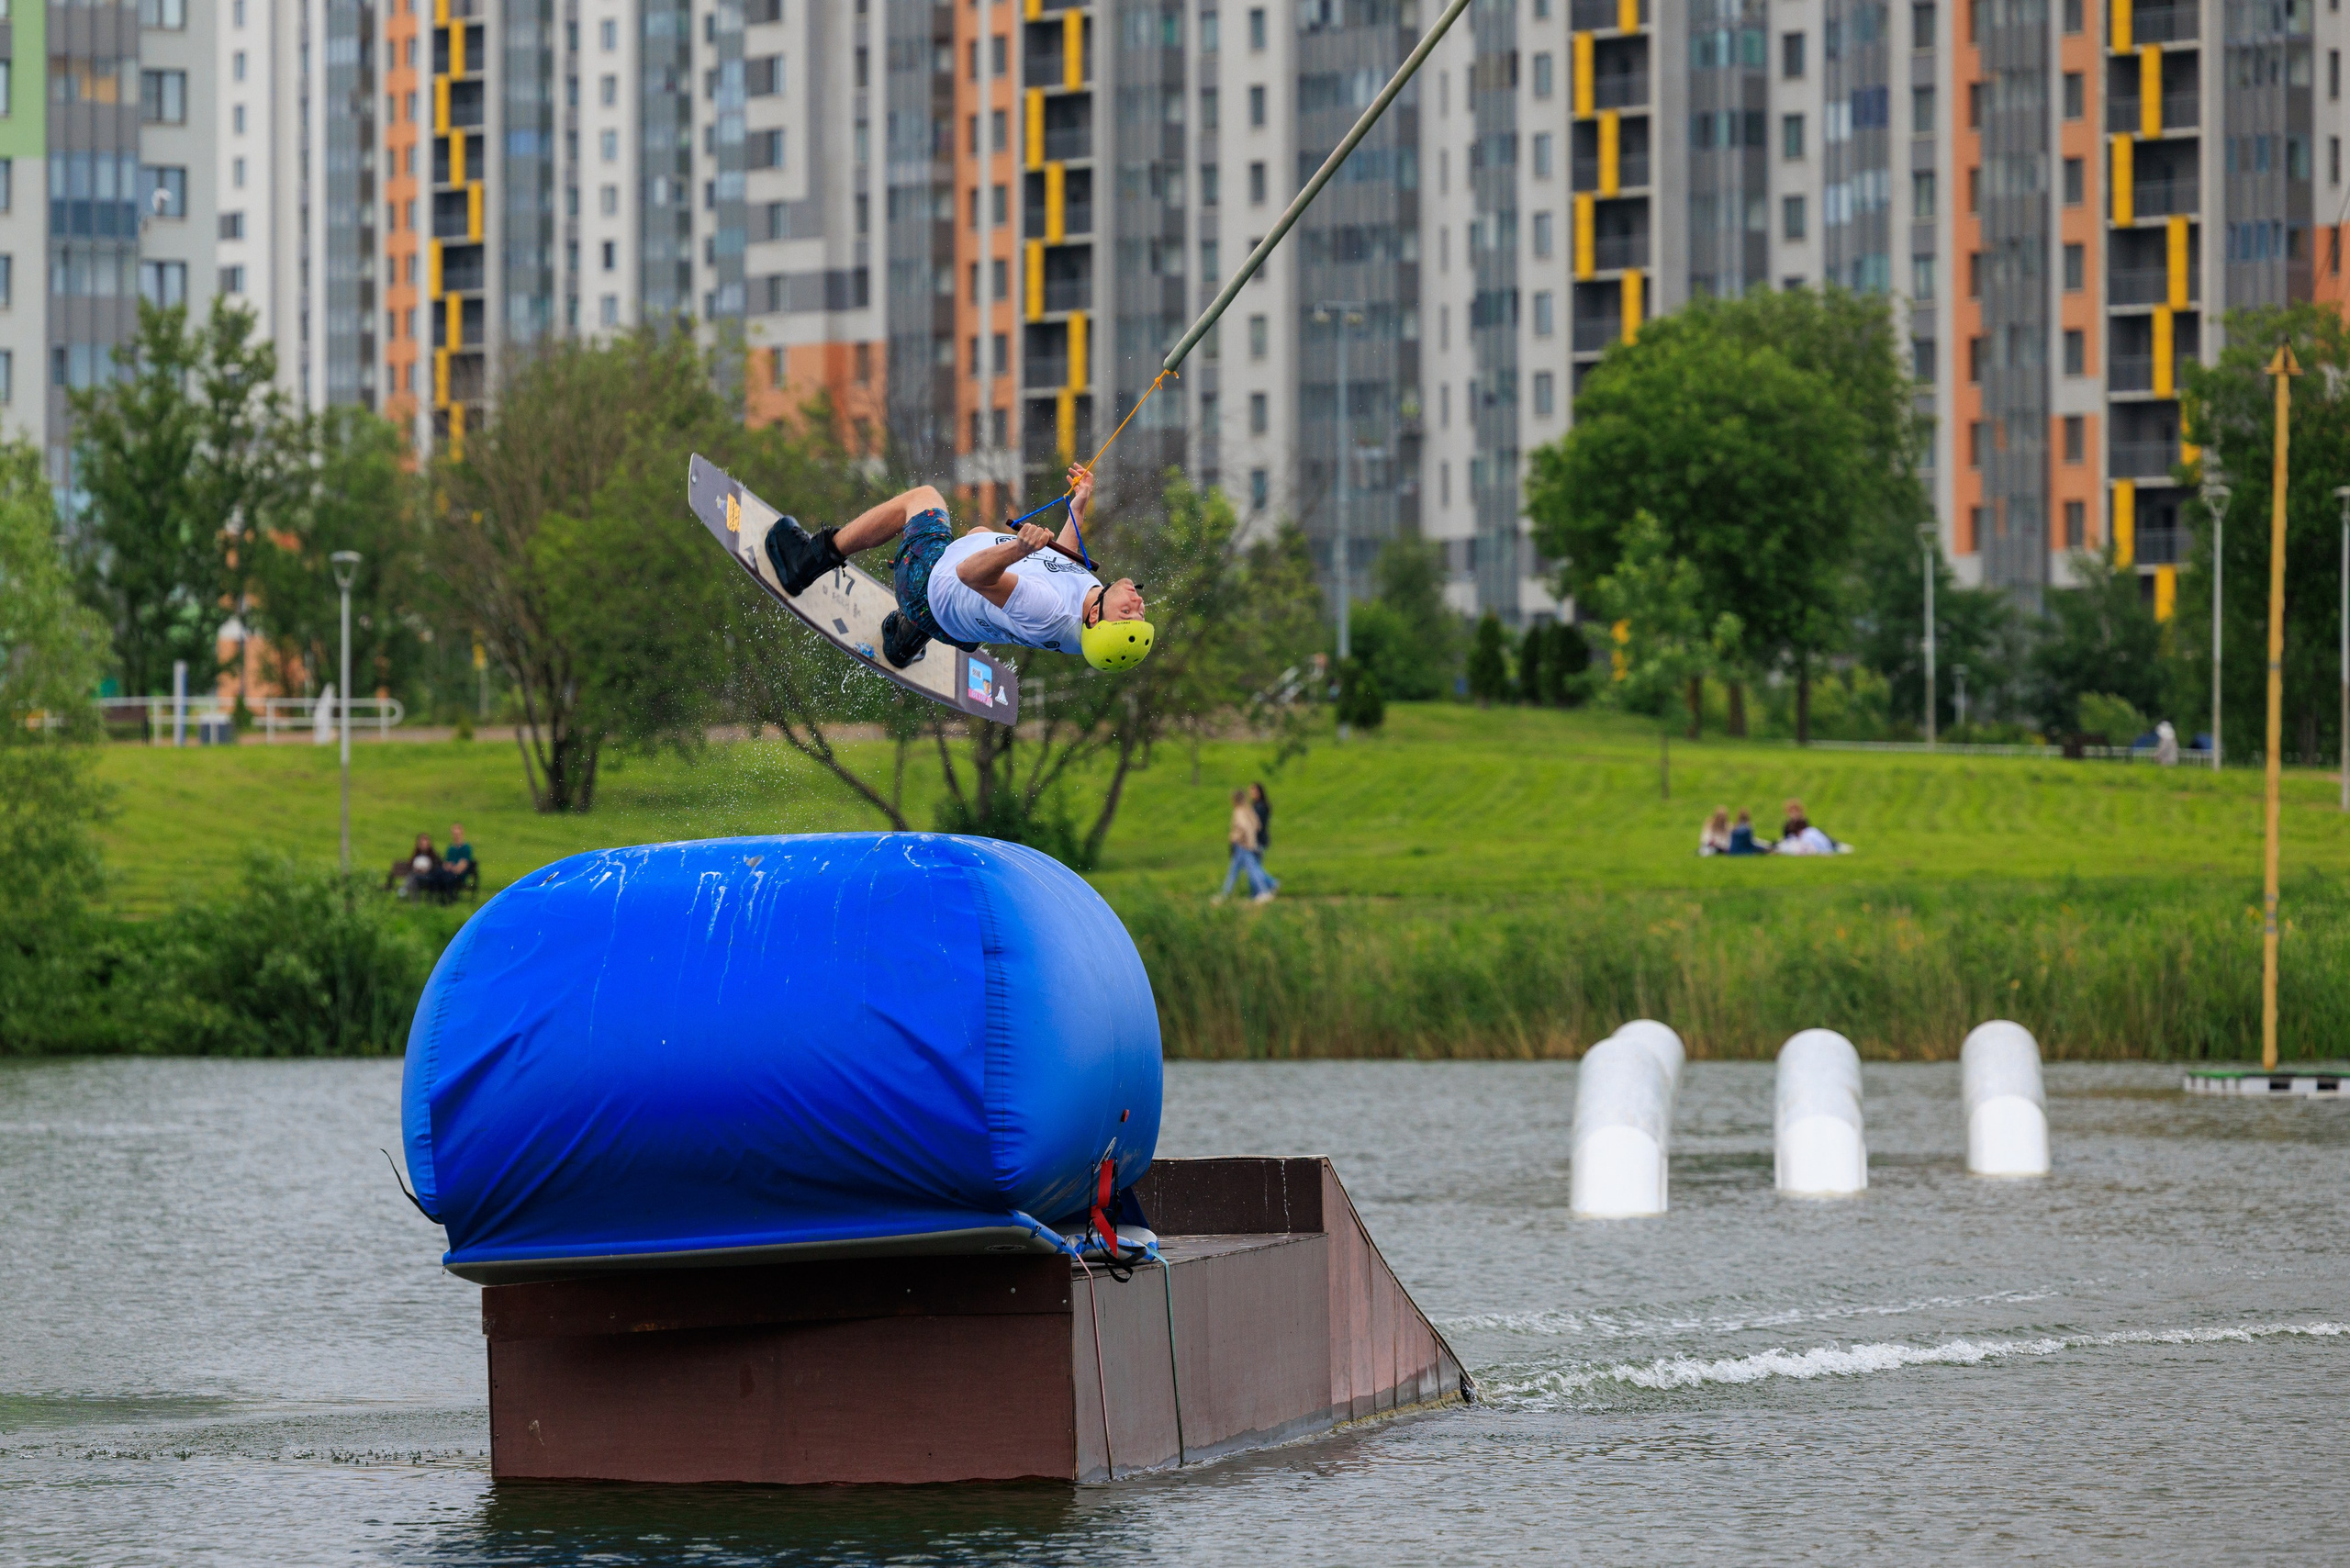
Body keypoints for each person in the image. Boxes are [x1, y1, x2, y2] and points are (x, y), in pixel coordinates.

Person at [760, 463, 1155, 674]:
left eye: (1127, 612)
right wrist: (1079, 506)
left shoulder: (1045, 609)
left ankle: (806, 562)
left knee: (923, 500)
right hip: (958, 626)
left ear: (1093, 618)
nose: (1137, 602)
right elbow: (1062, 566)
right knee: (980, 532)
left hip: (928, 591)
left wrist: (1018, 548)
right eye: (1138, 612)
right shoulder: (1086, 616)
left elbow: (970, 574)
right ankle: (903, 642)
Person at [1214, 789, 1278, 904]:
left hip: (1242, 845)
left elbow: (1245, 827)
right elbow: (1257, 825)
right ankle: (1267, 888)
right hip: (1247, 845)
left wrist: (1246, 841)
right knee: (1243, 870)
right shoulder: (1249, 809)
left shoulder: (1239, 811)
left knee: (1243, 870)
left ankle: (1263, 892)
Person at [1774, 799, 1851, 856]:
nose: (1794, 814)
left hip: (1808, 839)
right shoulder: (1788, 824)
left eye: (1796, 811)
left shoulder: (1803, 821)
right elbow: (1786, 836)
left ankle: (1834, 844)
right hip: (1798, 841)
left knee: (1818, 833)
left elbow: (1808, 831)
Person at [444, 822, 479, 895]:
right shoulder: (451, 848)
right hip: (450, 872)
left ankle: (451, 897)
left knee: (449, 878)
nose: (456, 836)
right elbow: (447, 863)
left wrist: (453, 868)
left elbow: (463, 865)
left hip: (460, 874)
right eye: (454, 834)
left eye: (457, 834)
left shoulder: (466, 848)